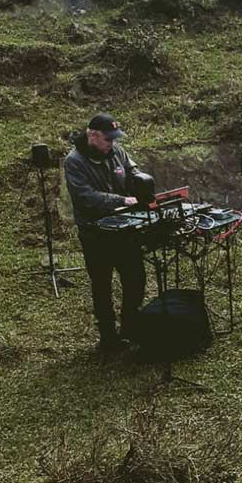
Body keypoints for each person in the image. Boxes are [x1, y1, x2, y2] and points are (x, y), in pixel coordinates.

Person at [64, 113, 146, 352]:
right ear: (92, 135)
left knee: (136, 277)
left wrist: (141, 182)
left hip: (124, 229)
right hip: (95, 233)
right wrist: (120, 200)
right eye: (107, 139)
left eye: (113, 138)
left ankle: (130, 326)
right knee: (102, 285)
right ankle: (108, 337)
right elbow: (84, 196)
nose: (112, 143)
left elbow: (131, 171)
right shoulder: (74, 162)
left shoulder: (117, 151)